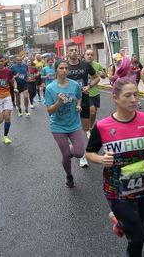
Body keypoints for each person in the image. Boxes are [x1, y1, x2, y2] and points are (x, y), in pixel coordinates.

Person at [86, 77, 144, 257]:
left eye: (136, 95)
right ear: (115, 98)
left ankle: (119, 221)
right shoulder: (103, 126)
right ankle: (124, 222)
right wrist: (100, 159)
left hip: (143, 185)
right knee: (136, 238)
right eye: (128, 95)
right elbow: (89, 153)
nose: (133, 100)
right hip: (116, 188)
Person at [45, 60, 84, 188]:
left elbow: (79, 96)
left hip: (74, 123)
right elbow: (50, 111)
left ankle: (71, 147)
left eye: (66, 68)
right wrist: (58, 103)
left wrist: (78, 105)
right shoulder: (50, 88)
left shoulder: (74, 85)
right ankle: (69, 175)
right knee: (66, 154)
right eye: (61, 68)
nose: (64, 70)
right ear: (56, 70)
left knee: (79, 153)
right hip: (58, 126)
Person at [66, 42, 100, 168]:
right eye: (71, 50)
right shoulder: (64, 67)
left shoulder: (85, 65)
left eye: (75, 50)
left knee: (85, 129)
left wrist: (89, 86)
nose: (74, 52)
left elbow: (96, 78)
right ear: (67, 53)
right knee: (74, 128)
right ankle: (82, 156)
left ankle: (82, 150)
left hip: (84, 99)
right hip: (69, 102)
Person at [84, 49, 105, 132]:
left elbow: (103, 76)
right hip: (85, 93)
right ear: (84, 56)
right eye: (88, 54)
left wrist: (102, 74)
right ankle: (87, 128)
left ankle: (90, 127)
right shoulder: (82, 65)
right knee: (91, 111)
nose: (90, 56)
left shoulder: (97, 65)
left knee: (94, 113)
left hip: (95, 92)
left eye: (91, 54)